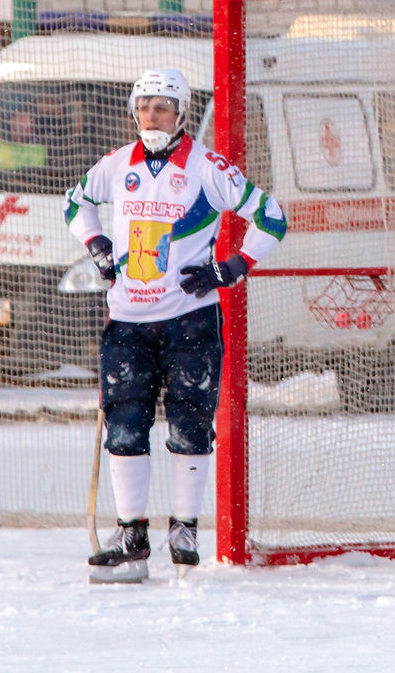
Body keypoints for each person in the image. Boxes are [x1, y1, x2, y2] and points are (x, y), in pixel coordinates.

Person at [64, 69, 287, 583]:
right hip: (128, 321)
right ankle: (131, 535)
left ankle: (184, 529)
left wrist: (231, 268)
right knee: (124, 427)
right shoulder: (116, 165)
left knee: (190, 425)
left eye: (161, 107)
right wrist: (96, 244)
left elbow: (271, 216)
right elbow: (75, 203)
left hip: (190, 320)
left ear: (181, 113)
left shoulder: (207, 167)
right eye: (143, 106)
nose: (151, 116)